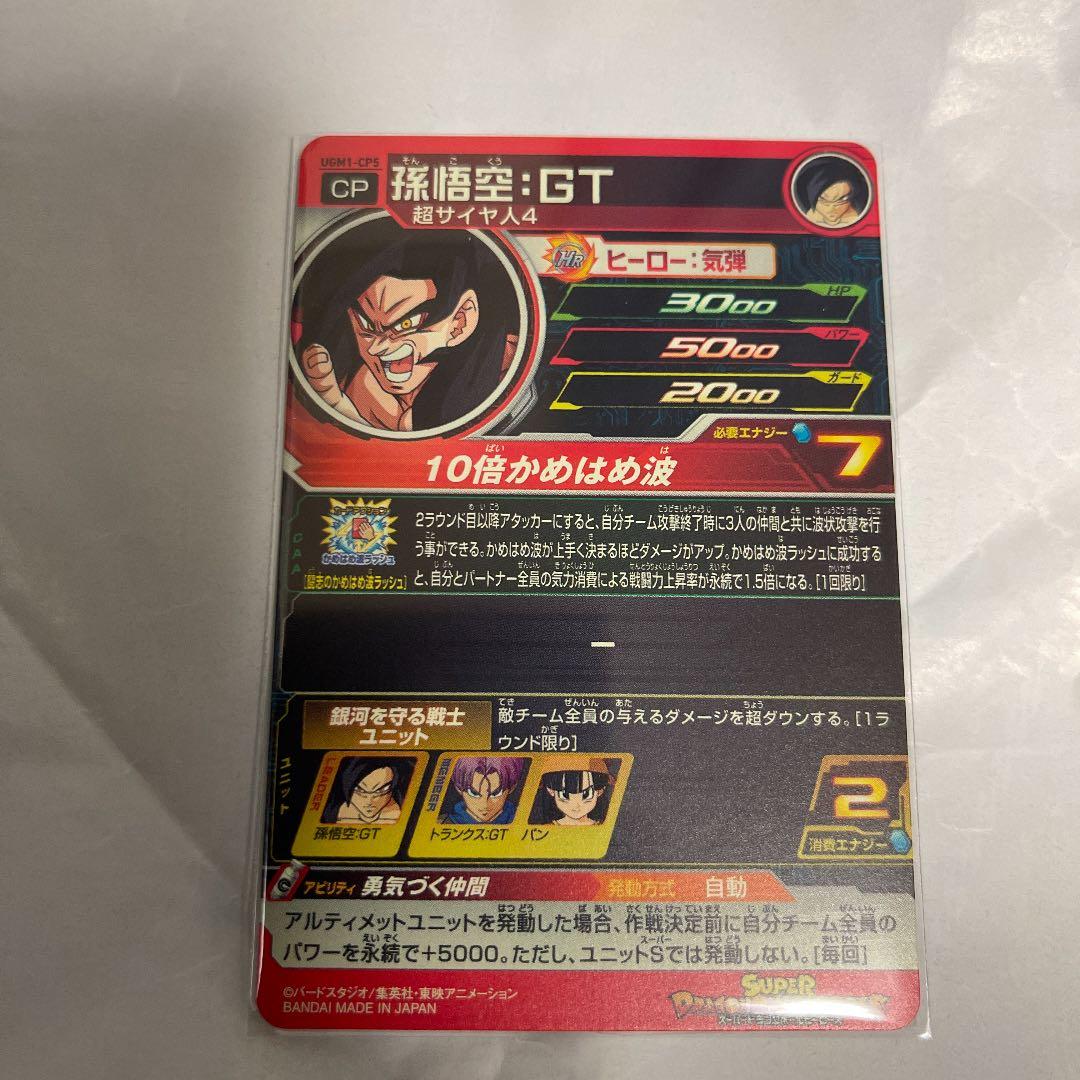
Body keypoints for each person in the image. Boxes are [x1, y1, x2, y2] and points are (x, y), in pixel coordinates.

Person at [297, 220, 518, 433]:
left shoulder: (504, 362)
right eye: (366, 324)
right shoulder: (361, 384)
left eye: (405, 324)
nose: (376, 347)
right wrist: (337, 404)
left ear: (459, 321)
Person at [322, 757, 413, 825]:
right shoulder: (334, 813)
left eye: (381, 790)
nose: (370, 800)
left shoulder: (404, 813)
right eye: (360, 790)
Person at [531, 756, 616, 827]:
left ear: (600, 791)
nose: (576, 805)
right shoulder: (546, 828)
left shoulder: (605, 827)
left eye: (586, 795)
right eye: (565, 795)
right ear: (551, 790)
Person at [440, 756, 525, 825]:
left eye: (495, 793)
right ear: (458, 788)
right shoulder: (442, 822)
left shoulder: (521, 821)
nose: (485, 804)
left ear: (512, 787)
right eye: (474, 793)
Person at [797, 158, 869, 229]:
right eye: (823, 200)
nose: (832, 208)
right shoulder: (808, 216)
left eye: (842, 199)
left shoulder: (857, 216)